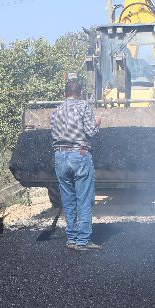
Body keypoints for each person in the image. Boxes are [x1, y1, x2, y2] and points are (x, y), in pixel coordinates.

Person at [50, 80, 101, 251]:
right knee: (84, 199)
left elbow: (54, 134)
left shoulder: (56, 111)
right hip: (79, 155)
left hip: (60, 156)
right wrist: (97, 123)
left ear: (65, 93)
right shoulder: (83, 106)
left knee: (68, 199)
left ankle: (71, 238)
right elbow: (90, 132)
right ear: (80, 93)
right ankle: (83, 240)